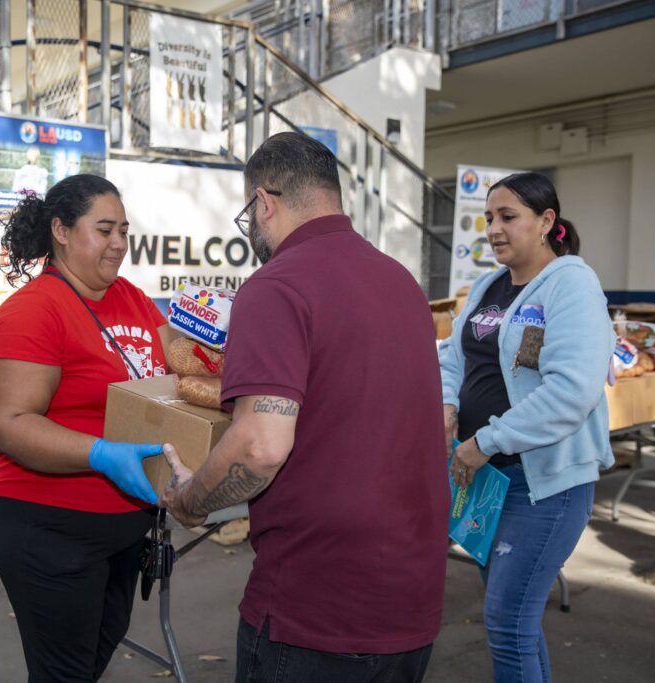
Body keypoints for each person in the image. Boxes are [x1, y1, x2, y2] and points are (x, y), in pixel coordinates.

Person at [162, 132, 449, 682]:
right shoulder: (402, 282)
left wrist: (193, 500)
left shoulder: (277, 285)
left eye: (252, 214)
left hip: (319, 607)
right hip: (411, 599)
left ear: (264, 203)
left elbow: (261, 446)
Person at [0, 173, 173, 681]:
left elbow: (175, 363)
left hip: (125, 527)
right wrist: (101, 453)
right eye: (104, 229)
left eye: (124, 232)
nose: (119, 245)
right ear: (61, 230)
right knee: (63, 673)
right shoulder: (35, 310)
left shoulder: (130, 296)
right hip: (46, 526)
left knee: (93, 658)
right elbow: (5, 424)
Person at [438, 172, 614, 681]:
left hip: (545, 486)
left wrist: (484, 443)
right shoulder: (488, 286)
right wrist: (447, 406)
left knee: (507, 621)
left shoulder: (572, 285)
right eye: (488, 218)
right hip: (489, 480)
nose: (493, 228)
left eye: (508, 217)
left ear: (546, 222)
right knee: (514, 623)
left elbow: (571, 393)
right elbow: (454, 357)